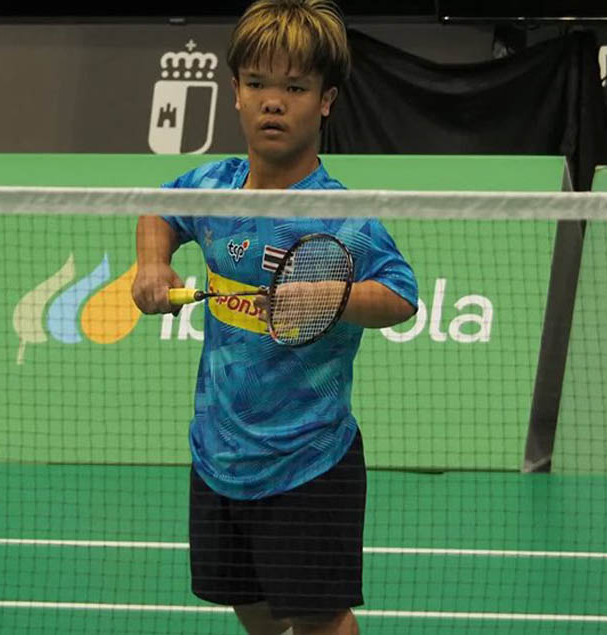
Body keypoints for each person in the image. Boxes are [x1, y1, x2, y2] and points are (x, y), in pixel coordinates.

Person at [131, 2, 418, 633]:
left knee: (319, 618)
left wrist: (331, 297)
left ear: (326, 101)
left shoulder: (340, 215)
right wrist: (151, 265)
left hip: (307, 458)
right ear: (235, 91)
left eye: (295, 88)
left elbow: (401, 294)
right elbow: (158, 209)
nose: (273, 102)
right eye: (258, 83)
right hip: (219, 452)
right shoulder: (213, 186)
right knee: (252, 606)